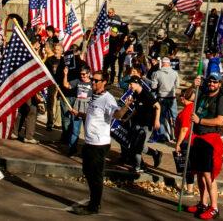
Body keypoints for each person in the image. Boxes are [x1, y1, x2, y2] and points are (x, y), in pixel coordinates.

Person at [70, 69, 131, 216]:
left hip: (99, 144)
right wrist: (79, 114)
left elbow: (117, 114)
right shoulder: (95, 96)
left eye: (96, 80)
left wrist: (125, 107)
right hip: (89, 142)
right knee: (87, 171)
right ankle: (93, 200)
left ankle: (94, 205)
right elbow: (92, 115)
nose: (93, 82)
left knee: (95, 175)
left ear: (104, 82)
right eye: (92, 80)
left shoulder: (108, 99)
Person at [184, 70, 223, 220]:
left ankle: (214, 207)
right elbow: (186, 97)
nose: (211, 84)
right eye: (210, 81)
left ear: (220, 83)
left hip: (210, 139)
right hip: (198, 138)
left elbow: (220, 121)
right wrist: (193, 84)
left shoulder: (221, 99)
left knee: (208, 175)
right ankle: (202, 204)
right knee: (200, 174)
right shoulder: (202, 94)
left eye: (215, 81)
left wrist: (200, 121)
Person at [123, 68, 162, 172]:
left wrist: (156, 121)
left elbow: (158, 106)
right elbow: (136, 109)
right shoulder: (135, 94)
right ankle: (154, 154)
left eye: (131, 84)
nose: (129, 86)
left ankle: (139, 167)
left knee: (138, 146)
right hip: (138, 122)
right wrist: (127, 118)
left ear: (136, 83)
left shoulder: (146, 94)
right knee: (137, 145)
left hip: (147, 124)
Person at [63, 65, 94, 156]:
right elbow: (66, 85)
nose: (82, 76)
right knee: (75, 130)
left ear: (89, 74)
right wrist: (65, 74)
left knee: (88, 131)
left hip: (88, 107)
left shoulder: (93, 83)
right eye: (81, 74)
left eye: (84, 74)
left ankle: (88, 152)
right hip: (77, 106)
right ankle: (72, 149)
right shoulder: (78, 81)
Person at [174, 87, 197, 194]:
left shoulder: (187, 110)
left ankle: (190, 190)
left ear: (183, 98)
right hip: (191, 140)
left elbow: (184, 129)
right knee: (189, 166)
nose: (179, 98)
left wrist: (178, 144)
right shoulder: (192, 106)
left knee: (187, 166)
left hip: (186, 141)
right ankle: (189, 188)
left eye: (180, 96)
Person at [152, 56, 179, 140]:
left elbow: (153, 86)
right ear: (169, 64)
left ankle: (163, 136)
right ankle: (177, 135)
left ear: (162, 64)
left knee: (161, 117)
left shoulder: (157, 73)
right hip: (172, 97)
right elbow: (177, 85)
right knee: (175, 117)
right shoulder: (175, 73)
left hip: (162, 97)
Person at [44, 41, 64, 132]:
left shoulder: (64, 60)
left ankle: (58, 123)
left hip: (61, 85)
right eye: (55, 49)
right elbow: (45, 72)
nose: (56, 51)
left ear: (61, 51)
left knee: (59, 104)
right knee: (50, 104)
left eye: (58, 50)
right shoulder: (49, 60)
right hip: (51, 84)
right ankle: (49, 123)